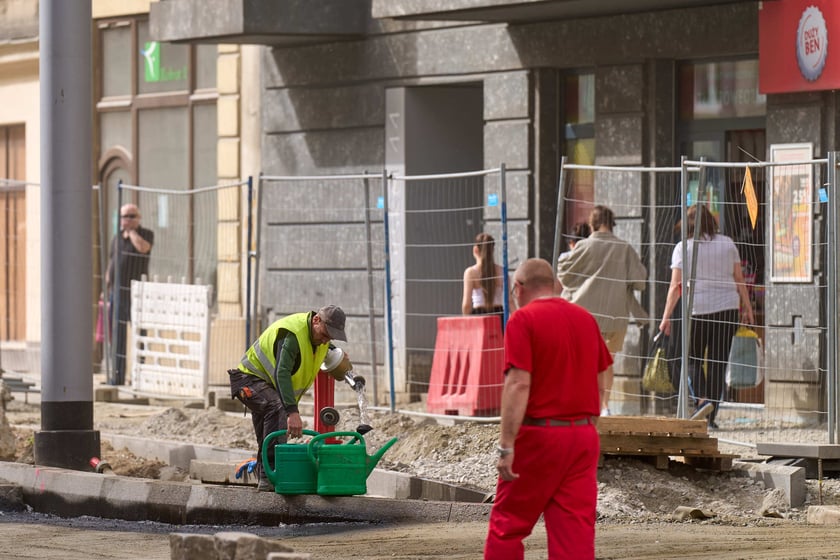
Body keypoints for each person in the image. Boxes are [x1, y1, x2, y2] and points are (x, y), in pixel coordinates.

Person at [484, 258, 612, 560]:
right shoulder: (585, 318)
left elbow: (518, 383)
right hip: (582, 437)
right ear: (555, 285)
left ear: (519, 288)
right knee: (575, 531)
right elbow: (604, 371)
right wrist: (593, 414)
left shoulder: (522, 320)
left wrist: (506, 445)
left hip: (539, 437)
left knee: (508, 525)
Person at [228, 305, 349, 491]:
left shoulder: (321, 341)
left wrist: (340, 358)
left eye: (331, 337)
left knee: (267, 434)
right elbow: (282, 373)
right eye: (326, 333)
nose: (326, 340)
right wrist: (292, 412)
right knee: (277, 409)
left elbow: (327, 348)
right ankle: (272, 476)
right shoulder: (293, 335)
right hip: (247, 379)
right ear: (316, 320)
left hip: (265, 385)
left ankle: (266, 477)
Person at [658, 204, 754, 428]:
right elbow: (739, 279)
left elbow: (676, 286)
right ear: (712, 221)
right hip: (727, 309)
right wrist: (747, 308)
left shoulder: (683, 248)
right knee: (718, 363)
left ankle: (701, 400)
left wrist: (666, 317)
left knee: (691, 359)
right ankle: (711, 416)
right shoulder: (728, 243)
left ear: (687, 225)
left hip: (697, 310)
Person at [556, 205, 647, 416]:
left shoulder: (583, 246)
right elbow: (640, 281)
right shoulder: (624, 248)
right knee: (607, 361)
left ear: (592, 223)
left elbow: (563, 272)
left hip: (584, 314)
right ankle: (605, 406)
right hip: (616, 313)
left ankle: (585, 403)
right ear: (612, 222)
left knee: (583, 361)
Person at [105, 203, 154, 385]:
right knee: (117, 335)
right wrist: (106, 286)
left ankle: (139, 375)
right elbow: (111, 263)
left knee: (139, 333)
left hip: (137, 293)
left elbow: (144, 248)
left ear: (138, 218)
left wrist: (132, 232)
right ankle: (117, 376)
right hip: (117, 293)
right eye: (124, 216)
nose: (126, 220)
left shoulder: (145, 233)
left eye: (131, 216)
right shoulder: (117, 238)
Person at [462, 232, 505, 322]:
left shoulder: (471, 272)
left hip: (478, 315)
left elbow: (467, 304)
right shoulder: (502, 271)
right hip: (498, 315)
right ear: (493, 250)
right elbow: (510, 300)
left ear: (475, 250)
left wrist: (465, 321)